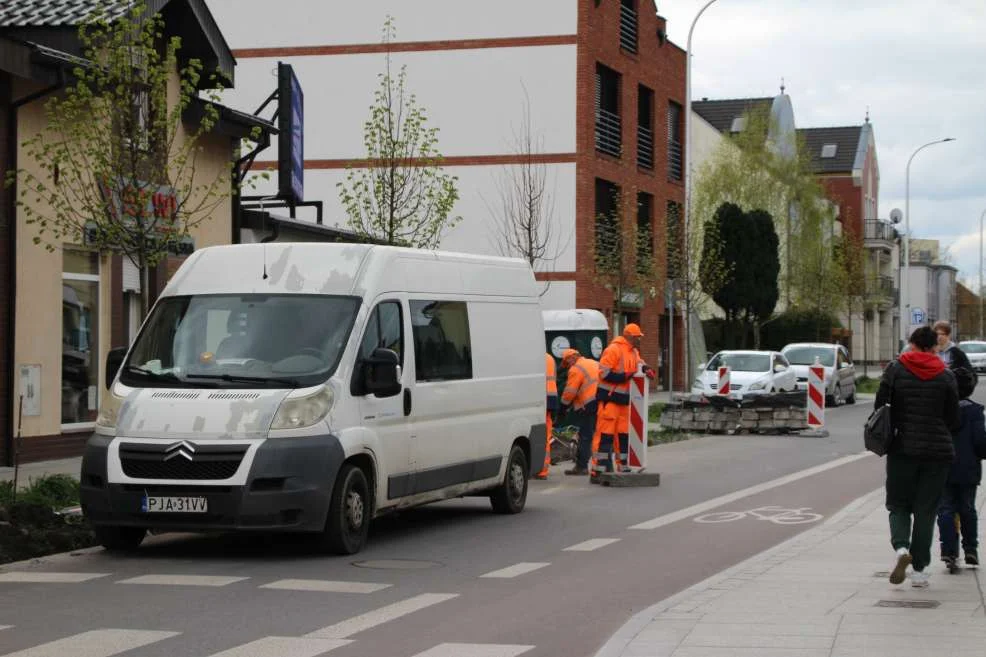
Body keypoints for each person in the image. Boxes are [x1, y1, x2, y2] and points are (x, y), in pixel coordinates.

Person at [877, 326, 959, 588]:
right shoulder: (946, 376)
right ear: (935, 346)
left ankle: (901, 549)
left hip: (903, 449)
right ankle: (920, 571)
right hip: (938, 453)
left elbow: (880, 406)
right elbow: (954, 419)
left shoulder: (895, 369)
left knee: (898, 504)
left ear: (912, 344)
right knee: (926, 510)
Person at [936, 365, 986, 571]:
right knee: (967, 508)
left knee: (946, 509)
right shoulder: (975, 412)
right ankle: (971, 549)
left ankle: (949, 550)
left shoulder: (940, 410)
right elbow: (980, 442)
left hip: (944, 467)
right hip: (968, 469)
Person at [591, 324, 655, 479]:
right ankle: (599, 469)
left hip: (624, 401)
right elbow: (604, 373)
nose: (639, 339)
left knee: (623, 435)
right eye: (637, 337)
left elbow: (639, 362)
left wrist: (645, 368)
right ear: (629, 336)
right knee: (605, 434)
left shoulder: (633, 351)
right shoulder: (614, 349)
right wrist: (626, 375)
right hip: (610, 399)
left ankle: (623, 464)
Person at [558, 348, 600, 476]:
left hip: (588, 405)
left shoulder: (576, 369)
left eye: (567, 363)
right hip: (602, 402)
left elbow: (570, 392)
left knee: (585, 436)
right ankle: (600, 465)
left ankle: (581, 467)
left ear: (572, 358)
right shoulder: (593, 363)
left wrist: (563, 408)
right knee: (599, 435)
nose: (568, 366)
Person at [536, 353, 559, 480]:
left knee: (538, 434)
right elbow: (554, 378)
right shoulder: (550, 358)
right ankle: (543, 469)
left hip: (539, 397)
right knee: (546, 433)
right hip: (550, 398)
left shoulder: (533, 356)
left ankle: (539, 468)